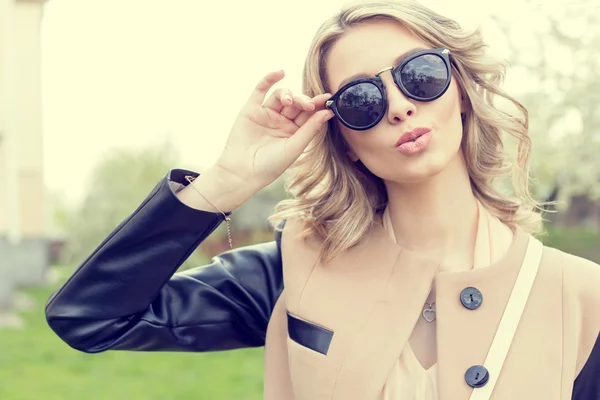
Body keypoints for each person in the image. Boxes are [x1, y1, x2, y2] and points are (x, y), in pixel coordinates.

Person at [45, 1, 599, 399]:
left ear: (461, 91)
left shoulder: (583, 298)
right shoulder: (294, 270)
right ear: (344, 141)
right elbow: (91, 318)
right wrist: (225, 184)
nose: (400, 107)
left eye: (420, 74)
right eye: (362, 99)